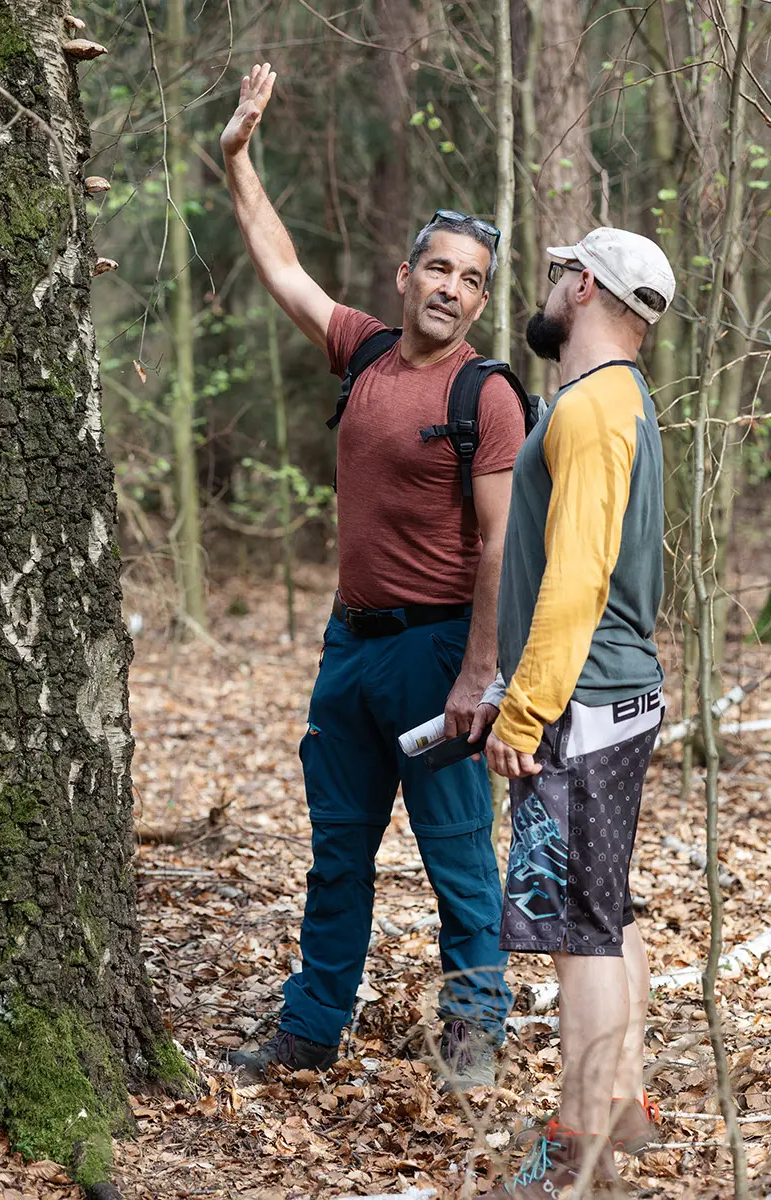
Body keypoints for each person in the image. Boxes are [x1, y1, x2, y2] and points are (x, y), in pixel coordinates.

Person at [219, 64, 525, 1088]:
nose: (448, 286)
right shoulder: (362, 353)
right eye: (435, 267)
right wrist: (237, 158)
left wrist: (476, 677)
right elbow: (282, 269)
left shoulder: (486, 395)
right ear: (404, 277)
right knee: (337, 855)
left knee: (457, 864)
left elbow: (496, 547)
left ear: (480, 297)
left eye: (468, 278)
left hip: (438, 652)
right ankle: (311, 1030)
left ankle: (473, 1040)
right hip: (348, 647)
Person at [469, 228, 675, 1194]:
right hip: (611, 693)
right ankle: (622, 1101)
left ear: (585, 285)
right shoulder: (620, 401)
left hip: (582, 700)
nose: (548, 286)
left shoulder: (592, 409)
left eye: (559, 272)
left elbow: (580, 577)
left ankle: (581, 1137)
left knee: (576, 924)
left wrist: (525, 711)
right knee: (610, 903)